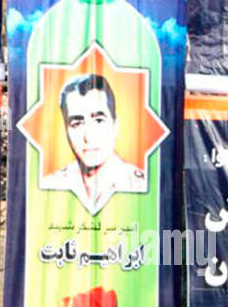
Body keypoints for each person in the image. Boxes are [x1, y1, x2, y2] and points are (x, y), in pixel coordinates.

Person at [41, 73, 148, 214]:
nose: (88, 136)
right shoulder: (49, 186)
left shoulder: (142, 185)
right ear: (66, 130)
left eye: (98, 120)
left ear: (115, 125)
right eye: (77, 123)